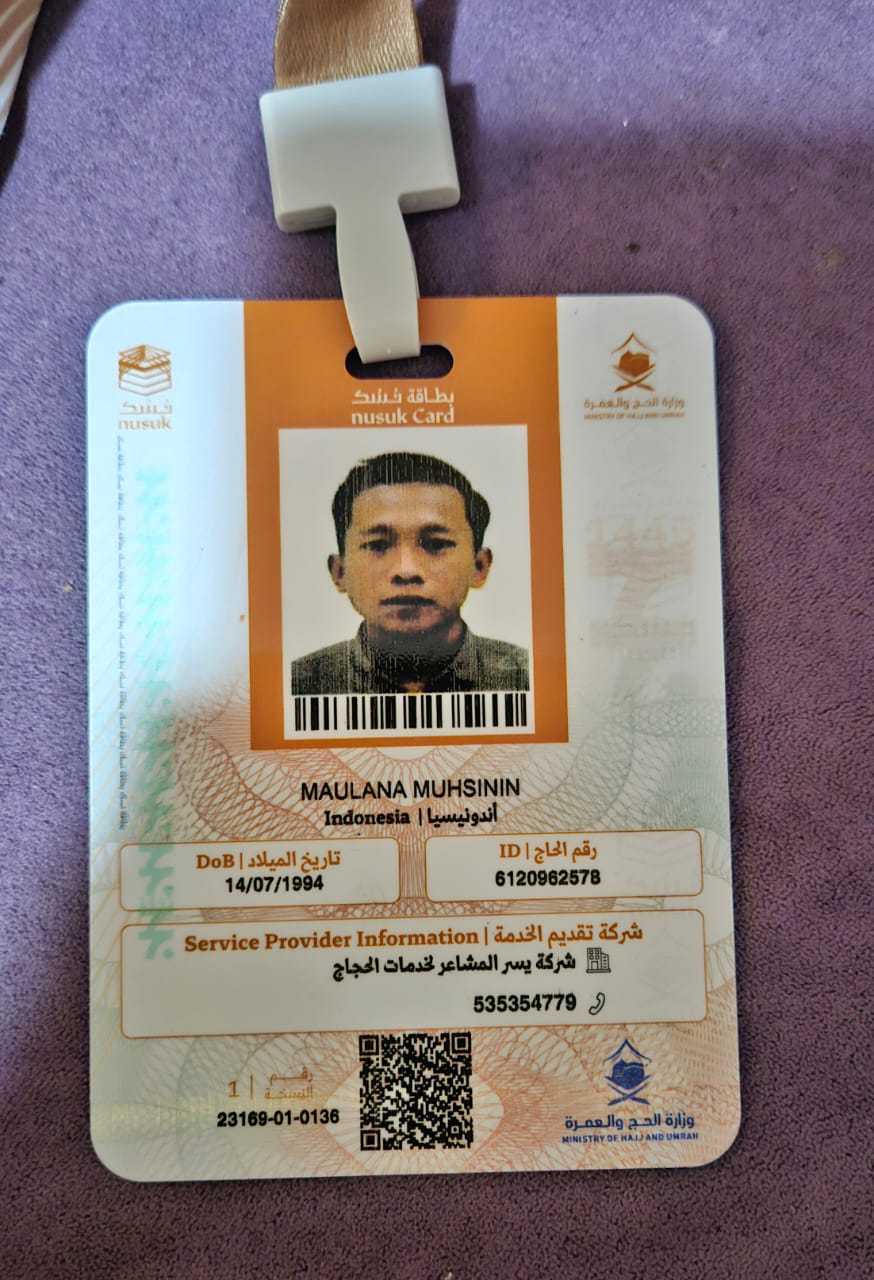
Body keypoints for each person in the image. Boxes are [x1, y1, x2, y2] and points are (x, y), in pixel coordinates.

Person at [290, 452, 530, 694]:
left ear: (478, 566)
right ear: (340, 572)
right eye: (377, 545)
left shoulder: (527, 678)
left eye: (436, 544)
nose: (407, 570)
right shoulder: (298, 685)